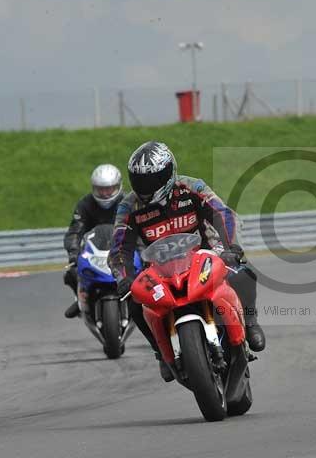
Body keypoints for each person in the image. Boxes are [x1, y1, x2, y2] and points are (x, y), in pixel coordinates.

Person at [109, 141, 265, 382]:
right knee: (134, 300)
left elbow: (222, 213)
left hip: (204, 254)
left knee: (242, 271)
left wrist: (231, 247)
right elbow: (119, 246)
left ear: (169, 172)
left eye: (152, 180)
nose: (144, 187)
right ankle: (161, 353)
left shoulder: (191, 187)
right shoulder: (129, 206)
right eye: (139, 181)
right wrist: (123, 277)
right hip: (159, 268)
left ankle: (251, 322)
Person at [62, 164, 124, 318]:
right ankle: (81, 299)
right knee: (71, 272)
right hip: (95, 249)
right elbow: (75, 231)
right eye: (100, 189)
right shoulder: (85, 204)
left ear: (118, 187)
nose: (104, 193)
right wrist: (73, 254)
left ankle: (144, 301)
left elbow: (139, 227)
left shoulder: (127, 202)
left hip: (123, 248)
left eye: (109, 189)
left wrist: (141, 249)